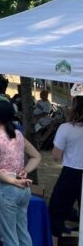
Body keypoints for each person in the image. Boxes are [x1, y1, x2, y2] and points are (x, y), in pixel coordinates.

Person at [0, 101, 41, 246]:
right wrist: (25, 171)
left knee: (9, 238)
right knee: (23, 233)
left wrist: (12, 180)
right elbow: (37, 156)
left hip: (5, 189)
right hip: (23, 188)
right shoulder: (18, 134)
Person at [49, 95, 83, 238]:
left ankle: (58, 236)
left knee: (57, 207)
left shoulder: (66, 128)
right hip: (74, 171)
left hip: (71, 171)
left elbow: (56, 155)